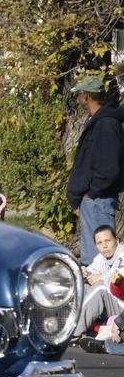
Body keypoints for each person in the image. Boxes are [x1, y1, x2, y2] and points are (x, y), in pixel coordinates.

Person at [67, 76, 124, 263]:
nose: (77, 99)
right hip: (94, 201)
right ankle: (98, 291)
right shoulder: (98, 121)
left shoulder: (105, 123)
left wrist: (91, 193)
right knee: (95, 262)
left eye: (79, 94)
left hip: (98, 201)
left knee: (100, 261)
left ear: (86, 97)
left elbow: (109, 167)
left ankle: (104, 293)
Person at [73, 225, 124, 339]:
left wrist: (101, 277)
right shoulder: (101, 258)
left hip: (122, 307)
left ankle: (73, 331)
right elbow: (91, 272)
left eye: (107, 241)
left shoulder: (122, 253)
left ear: (116, 240)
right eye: (100, 243)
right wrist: (83, 273)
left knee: (100, 288)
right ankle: (61, 323)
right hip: (114, 306)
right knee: (83, 287)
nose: (104, 246)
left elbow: (119, 278)